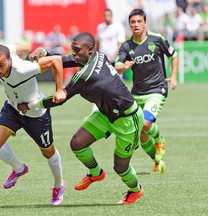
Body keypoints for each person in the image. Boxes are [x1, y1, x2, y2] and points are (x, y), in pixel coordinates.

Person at [18, 32, 145, 204]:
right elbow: (68, 59)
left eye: (77, 50)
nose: (74, 54)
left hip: (128, 119)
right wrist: (46, 54)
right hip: (106, 114)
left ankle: (135, 190)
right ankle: (96, 173)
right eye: (74, 50)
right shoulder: (99, 55)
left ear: (90, 50)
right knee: (77, 143)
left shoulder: (84, 76)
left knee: (120, 167)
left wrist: (30, 106)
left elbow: (59, 98)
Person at [0, 44, 66, 205]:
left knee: (48, 152)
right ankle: (19, 169)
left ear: (9, 60)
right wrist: (28, 52)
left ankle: (59, 184)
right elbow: (22, 47)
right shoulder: (6, 52)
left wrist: (59, 89)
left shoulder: (23, 69)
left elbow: (56, 61)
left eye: (1, 65)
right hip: (13, 108)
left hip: (36, 113)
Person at [115, 9, 179, 173]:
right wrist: (123, 66)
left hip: (157, 89)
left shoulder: (157, 39)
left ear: (145, 23)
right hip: (137, 92)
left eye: (139, 21)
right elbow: (117, 66)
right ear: (130, 25)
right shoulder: (126, 45)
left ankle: (159, 139)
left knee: (145, 123)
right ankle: (157, 162)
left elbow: (174, 55)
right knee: (141, 133)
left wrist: (173, 76)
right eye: (133, 22)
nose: (136, 25)